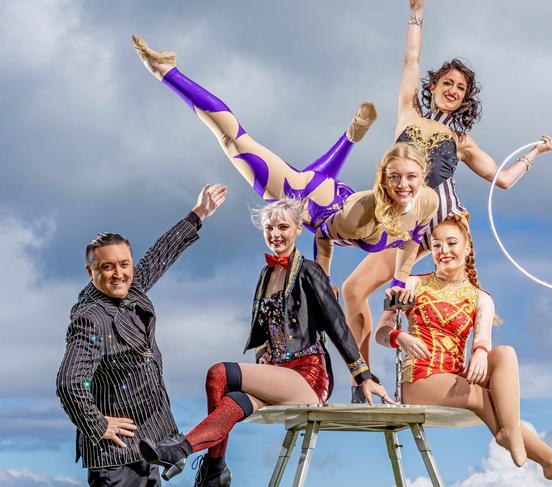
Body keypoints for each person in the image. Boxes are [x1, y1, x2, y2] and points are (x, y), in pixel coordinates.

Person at [341, 0, 552, 399]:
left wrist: (535, 155)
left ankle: (450, 353)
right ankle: (364, 379)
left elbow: (503, 180)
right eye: (447, 82)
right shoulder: (408, 114)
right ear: (433, 86)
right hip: (397, 221)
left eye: (460, 88)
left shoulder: (461, 142)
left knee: (397, 291)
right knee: (353, 290)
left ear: (464, 100)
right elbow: (411, 59)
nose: (452, 90)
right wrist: (417, 13)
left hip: (437, 226)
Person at [132, 36, 439, 292]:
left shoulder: (427, 200)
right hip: (302, 195)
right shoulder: (359, 214)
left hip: (327, 186)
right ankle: (166, 70)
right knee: (234, 141)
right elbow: (323, 235)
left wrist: (400, 280)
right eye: (396, 178)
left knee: (309, 171)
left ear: (422, 177)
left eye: (412, 178)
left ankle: (350, 136)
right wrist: (323, 281)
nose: (404, 185)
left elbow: (411, 240)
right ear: (383, 179)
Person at [138, 198, 392, 486]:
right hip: (278, 375)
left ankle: (197, 458)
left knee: (218, 372)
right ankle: (212, 471)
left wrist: (363, 375)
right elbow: (263, 329)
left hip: (308, 376)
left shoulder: (309, 271)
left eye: (283, 227)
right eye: (269, 228)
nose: (276, 234)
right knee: (232, 402)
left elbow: (337, 325)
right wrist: (262, 355)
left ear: (297, 230)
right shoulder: (266, 274)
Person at [375, 214, 552, 486]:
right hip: (420, 378)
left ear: (467, 248)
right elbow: (380, 335)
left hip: (456, 376)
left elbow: (483, 340)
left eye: (451, 243)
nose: (444, 251)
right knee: (481, 396)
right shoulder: (412, 285)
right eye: (436, 245)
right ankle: (545, 456)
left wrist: (479, 351)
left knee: (506, 354)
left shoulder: (482, 299)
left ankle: (513, 433)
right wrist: (400, 337)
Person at [56, 184, 228, 486]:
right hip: (117, 458)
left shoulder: (131, 288)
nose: (118, 273)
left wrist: (199, 213)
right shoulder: (91, 318)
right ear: (90, 272)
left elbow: (160, 255)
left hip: (147, 445)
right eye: (107, 267)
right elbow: (69, 382)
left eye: (124, 264)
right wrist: (97, 425)